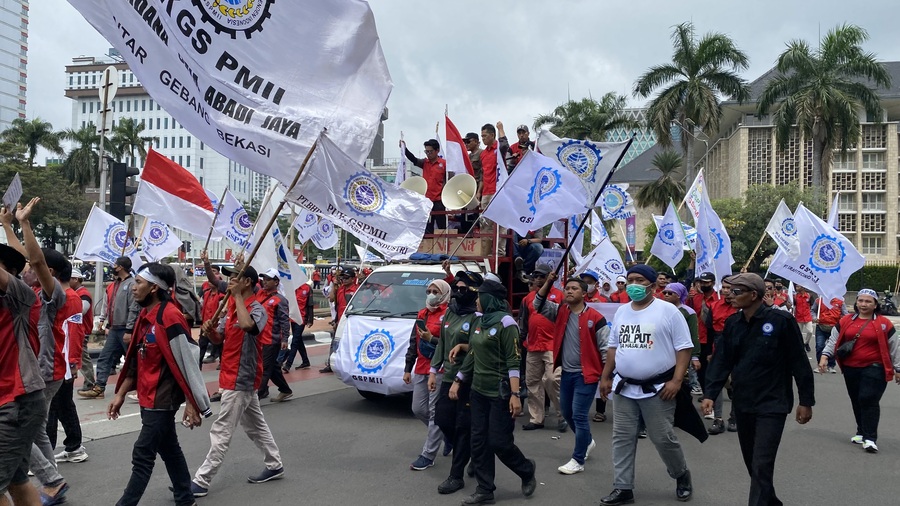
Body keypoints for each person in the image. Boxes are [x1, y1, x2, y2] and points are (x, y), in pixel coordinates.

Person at [703, 273, 814, 505]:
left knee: (762, 463)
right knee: (752, 463)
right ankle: (771, 502)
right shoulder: (733, 323)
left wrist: (806, 401)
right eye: (728, 290)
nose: (729, 295)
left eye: (736, 292)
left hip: (773, 403)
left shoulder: (781, 321)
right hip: (744, 402)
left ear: (753, 295)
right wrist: (710, 394)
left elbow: (799, 363)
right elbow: (722, 361)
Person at [107, 262, 212, 506]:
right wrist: (121, 394)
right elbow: (135, 360)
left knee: (143, 453)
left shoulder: (170, 316)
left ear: (154, 288)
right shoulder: (145, 315)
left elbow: (188, 361)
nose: (133, 288)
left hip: (162, 399)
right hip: (146, 395)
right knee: (169, 449)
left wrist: (192, 402)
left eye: (139, 283)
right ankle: (186, 499)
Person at [599, 264, 693, 506]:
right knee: (622, 438)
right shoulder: (621, 311)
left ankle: (681, 474)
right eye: (630, 279)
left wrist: (676, 381)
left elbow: (684, 349)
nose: (633, 284)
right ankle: (623, 487)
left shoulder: (668, 312)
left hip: (658, 389)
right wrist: (606, 376)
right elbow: (613, 347)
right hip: (624, 387)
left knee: (662, 437)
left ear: (652, 285)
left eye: (639, 280)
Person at [191, 265, 284, 497]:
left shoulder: (257, 309)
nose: (230, 280)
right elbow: (219, 337)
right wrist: (210, 331)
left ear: (248, 282)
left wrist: (237, 299)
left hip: (242, 377)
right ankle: (275, 464)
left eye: (235, 277)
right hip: (231, 374)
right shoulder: (231, 307)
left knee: (222, 429)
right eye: (230, 277)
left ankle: (201, 481)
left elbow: (248, 326)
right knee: (255, 426)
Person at [17, 198, 82, 506]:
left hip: (45, 371)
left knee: (18, 428)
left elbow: (37, 262)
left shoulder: (55, 294)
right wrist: (8, 224)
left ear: (49, 272)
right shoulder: (55, 293)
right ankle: (53, 480)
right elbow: (27, 258)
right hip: (49, 370)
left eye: (30, 265)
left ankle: (52, 481)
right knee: (38, 428)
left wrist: (24, 224)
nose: (25, 268)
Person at [450, 279, 536, 505]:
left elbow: (514, 360)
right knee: (478, 441)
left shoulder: (507, 324)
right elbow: (473, 353)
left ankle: (526, 470)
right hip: (478, 391)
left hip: (500, 394)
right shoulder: (480, 321)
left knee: (499, 442)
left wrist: (516, 395)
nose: (476, 300)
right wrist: (459, 379)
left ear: (490, 298)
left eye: (480, 296)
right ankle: (484, 489)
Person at [532, 271, 609, 476]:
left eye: (574, 288)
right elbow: (537, 304)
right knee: (567, 412)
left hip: (587, 375)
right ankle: (587, 441)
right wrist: (548, 282)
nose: (569, 291)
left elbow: (605, 349)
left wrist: (606, 377)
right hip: (566, 373)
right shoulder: (560, 312)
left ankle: (578, 459)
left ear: (584, 293)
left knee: (579, 415)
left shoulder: (596, 318)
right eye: (567, 288)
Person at [819, 289, 899, 453]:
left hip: (875, 368)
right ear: (856, 302)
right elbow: (834, 339)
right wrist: (825, 356)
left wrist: (898, 368)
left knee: (867, 398)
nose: (863, 304)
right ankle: (861, 432)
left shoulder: (884, 323)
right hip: (850, 368)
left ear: (875, 304)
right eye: (861, 301)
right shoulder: (846, 320)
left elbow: (894, 347)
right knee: (856, 399)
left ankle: (870, 438)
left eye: (868, 301)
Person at [430, 267, 483, 495]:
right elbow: (442, 343)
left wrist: (460, 380)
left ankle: (456, 476)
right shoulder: (450, 313)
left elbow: (479, 349)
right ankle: (468, 449)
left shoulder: (478, 317)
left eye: (463, 289)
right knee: (442, 419)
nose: (458, 292)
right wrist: (433, 371)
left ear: (473, 292)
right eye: (456, 288)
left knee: (462, 426)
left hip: (468, 379)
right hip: (448, 377)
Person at [0, 238, 45, 506]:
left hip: (18, 402)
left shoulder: (23, 299)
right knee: (17, 479)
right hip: (8, 402)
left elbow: (36, 261)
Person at [404, 279, 450, 471]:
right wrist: (408, 367)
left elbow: (450, 343)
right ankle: (447, 434)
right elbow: (414, 342)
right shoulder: (422, 314)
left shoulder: (449, 314)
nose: (431, 294)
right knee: (418, 409)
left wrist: (431, 338)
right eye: (429, 291)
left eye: (435, 291)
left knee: (434, 412)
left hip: (439, 369)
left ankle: (428, 455)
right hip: (422, 367)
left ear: (444, 294)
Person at [79, 256, 140, 399]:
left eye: (116, 265)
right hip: (114, 328)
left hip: (125, 328)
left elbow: (134, 308)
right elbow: (108, 305)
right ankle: (99, 387)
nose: (113, 267)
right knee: (105, 357)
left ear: (121, 267)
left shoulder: (132, 284)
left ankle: (143, 387)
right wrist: (104, 321)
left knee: (133, 361)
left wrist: (130, 329)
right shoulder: (114, 285)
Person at [50, 268, 92, 465]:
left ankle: (46, 456)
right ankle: (74, 447)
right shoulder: (63, 297)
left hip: (62, 363)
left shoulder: (72, 298)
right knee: (62, 405)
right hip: (58, 361)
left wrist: (73, 362)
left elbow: (75, 333)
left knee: (52, 408)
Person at [517, 263, 564, 432]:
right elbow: (523, 321)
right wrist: (520, 341)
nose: (537, 279)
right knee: (532, 383)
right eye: (535, 276)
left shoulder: (559, 296)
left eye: (541, 276)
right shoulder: (527, 298)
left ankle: (562, 415)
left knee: (552, 380)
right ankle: (537, 418)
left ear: (549, 278)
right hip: (533, 346)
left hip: (552, 345)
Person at [255, 269, 293, 403]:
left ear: (276, 282)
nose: (264, 281)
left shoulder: (280, 300)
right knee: (273, 367)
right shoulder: (259, 294)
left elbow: (284, 320)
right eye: (263, 279)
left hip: (271, 339)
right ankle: (285, 390)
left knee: (264, 368)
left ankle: (256, 398)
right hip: (259, 337)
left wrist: (284, 339)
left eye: (268, 279)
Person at [706, 278, 738, 435]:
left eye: (729, 288)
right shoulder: (714, 306)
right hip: (719, 345)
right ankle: (718, 419)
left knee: (738, 382)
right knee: (716, 382)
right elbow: (710, 330)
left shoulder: (742, 307)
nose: (726, 291)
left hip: (739, 346)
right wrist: (710, 352)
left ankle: (734, 418)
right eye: (724, 287)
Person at [662, 283, 702, 398]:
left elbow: (694, 335)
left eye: (670, 293)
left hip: (680, 353)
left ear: (679, 295)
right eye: (665, 293)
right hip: (664, 351)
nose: (666, 295)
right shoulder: (659, 310)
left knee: (681, 384)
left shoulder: (688, 312)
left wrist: (694, 357)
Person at [479, 122, 510, 256]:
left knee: (501, 223)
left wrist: (501, 129)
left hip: (499, 190)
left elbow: (505, 145)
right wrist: (479, 192)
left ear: (492, 135)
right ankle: (485, 251)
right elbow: (482, 173)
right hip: (486, 192)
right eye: (481, 136)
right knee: (486, 224)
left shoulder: (499, 148)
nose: (483, 139)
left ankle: (499, 252)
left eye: (485, 136)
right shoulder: (483, 154)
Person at [404, 138, 448, 233]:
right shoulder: (424, 163)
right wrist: (404, 149)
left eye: (430, 151)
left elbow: (449, 180)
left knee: (441, 226)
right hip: (427, 200)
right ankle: (429, 246)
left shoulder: (444, 164)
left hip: (439, 200)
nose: (428, 154)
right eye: (426, 151)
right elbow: (413, 159)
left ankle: (443, 245)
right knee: (428, 227)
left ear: (437, 151)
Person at [321, 266, 359, 373]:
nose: (344, 280)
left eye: (347, 278)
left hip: (351, 322)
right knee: (335, 343)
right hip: (339, 321)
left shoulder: (356, 290)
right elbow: (332, 299)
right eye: (343, 278)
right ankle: (330, 364)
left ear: (352, 278)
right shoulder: (340, 288)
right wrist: (334, 284)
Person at [687, 271, 719, 396]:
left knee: (714, 371)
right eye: (701, 282)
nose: (704, 284)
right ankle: (707, 395)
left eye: (707, 282)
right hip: (699, 340)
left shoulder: (719, 299)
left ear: (713, 283)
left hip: (714, 340)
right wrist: (688, 299)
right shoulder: (695, 298)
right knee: (700, 371)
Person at [70, 268, 97, 394]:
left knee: (82, 357)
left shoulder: (83, 294)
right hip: (79, 329)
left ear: (76, 279)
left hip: (82, 330)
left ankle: (90, 382)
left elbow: (82, 310)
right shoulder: (77, 293)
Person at [282, 281, 313, 372]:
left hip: (301, 319)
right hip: (293, 318)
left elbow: (310, 305)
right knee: (298, 340)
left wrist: (310, 320)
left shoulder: (307, 288)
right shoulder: (291, 288)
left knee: (295, 341)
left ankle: (288, 364)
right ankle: (305, 361)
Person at [815, 296, 846, 374]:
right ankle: (820, 364)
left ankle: (831, 365)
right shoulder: (819, 300)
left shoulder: (840, 302)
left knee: (833, 346)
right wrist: (814, 317)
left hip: (834, 327)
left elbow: (845, 314)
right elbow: (812, 311)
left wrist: (843, 320)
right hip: (821, 327)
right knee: (819, 346)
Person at [793, 285, 816, 353]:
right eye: (796, 286)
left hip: (807, 317)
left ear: (803, 287)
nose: (797, 288)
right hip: (798, 317)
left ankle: (806, 343)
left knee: (810, 331)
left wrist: (813, 316)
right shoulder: (795, 296)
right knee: (798, 333)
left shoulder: (809, 296)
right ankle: (800, 345)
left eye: (798, 286)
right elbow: (793, 305)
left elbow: (813, 306)